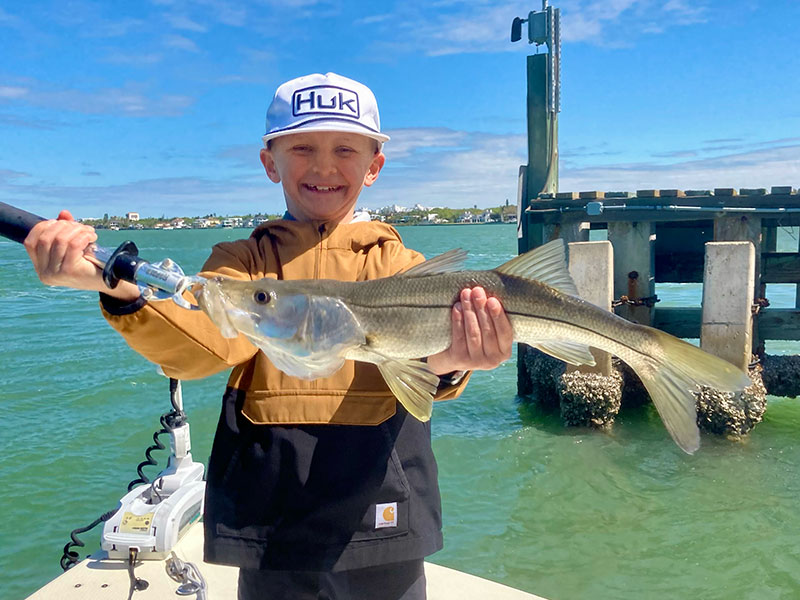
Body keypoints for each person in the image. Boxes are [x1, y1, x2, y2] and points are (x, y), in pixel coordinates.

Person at [24, 72, 513, 600]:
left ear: (374, 165)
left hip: (384, 513)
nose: (324, 166)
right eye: (302, 147)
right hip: (270, 523)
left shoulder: (403, 268)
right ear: (269, 162)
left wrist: (457, 361)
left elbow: (425, 370)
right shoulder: (242, 265)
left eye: (345, 149)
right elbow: (203, 345)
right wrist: (119, 291)